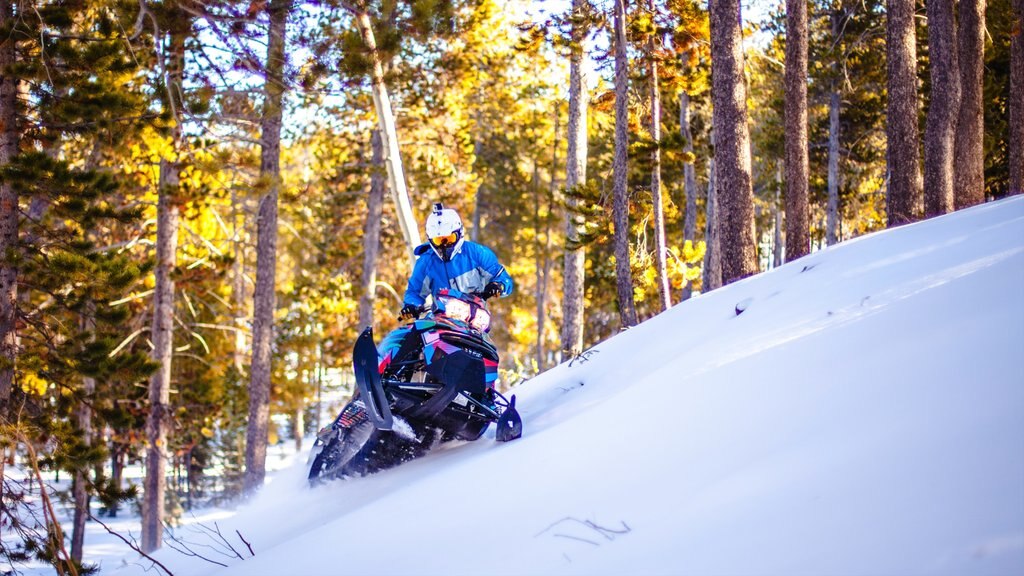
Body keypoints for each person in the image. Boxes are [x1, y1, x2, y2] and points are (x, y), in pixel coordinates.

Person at [400, 203, 514, 320]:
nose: (444, 246)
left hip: (474, 319)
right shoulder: (426, 262)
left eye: (449, 239)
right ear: (430, 240)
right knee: (415, 333)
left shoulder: (477, 253)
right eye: (438, 241)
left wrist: (498, 285)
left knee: (485, 337)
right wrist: (410, 306)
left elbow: (502, 278)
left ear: (459, 233)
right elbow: (414, 291)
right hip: (440, 320)